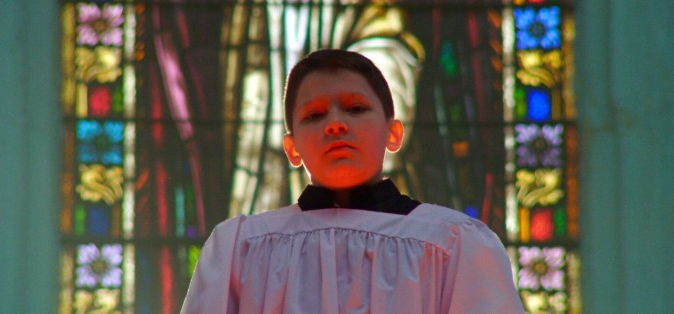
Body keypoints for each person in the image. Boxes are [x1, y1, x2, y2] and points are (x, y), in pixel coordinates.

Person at [181, 49, 524, 313]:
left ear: (393, 133)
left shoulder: (454, 244)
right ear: (292, 147)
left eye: (355, 108)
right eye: (314, 115)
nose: (335, 124)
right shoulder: (240, 248)